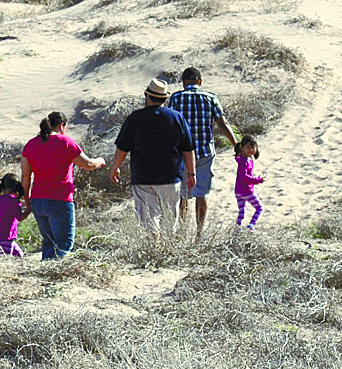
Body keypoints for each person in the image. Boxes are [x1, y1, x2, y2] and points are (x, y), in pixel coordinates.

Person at [107, 79, 196, 237]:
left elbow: (122, 148)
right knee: (170, 220)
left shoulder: (135, 118)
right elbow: (188, 149)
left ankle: (153, 248)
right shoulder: (176, 118)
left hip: (143, 177)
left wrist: (115, 167)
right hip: (170, 176)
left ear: (147, 96)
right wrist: (192, 173)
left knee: (149, 220)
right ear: (165, 98)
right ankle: (168, 253)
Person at [19, 111, 106, 260]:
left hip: (38, 200)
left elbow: (25, 177)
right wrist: (100, 160)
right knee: (64, 244)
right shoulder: (65, 142)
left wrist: (27, 201)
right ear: (62, 125)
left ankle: (46, 273)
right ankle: (56, 275)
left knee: (49, 242)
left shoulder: (30, 144)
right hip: (60, 200)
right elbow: (88, 164)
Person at [166, 67, 239, 244]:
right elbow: (222, 124)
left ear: (184, 82)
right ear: (200, 81)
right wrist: (236, 144)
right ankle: (199, 234)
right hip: (205, 152)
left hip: (182, 154)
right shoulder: (210, 98)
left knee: (182, 194)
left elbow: (170, 125)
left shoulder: (176, 98)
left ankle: (182, 232)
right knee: (201, 194)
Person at [0, 174, 28, 258]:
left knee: (17, 255)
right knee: (14, 257)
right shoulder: (15, 201)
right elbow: (20, 217)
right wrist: (29, 209)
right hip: (8, 237)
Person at [234, 135, 266, 230]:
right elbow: (244, 177)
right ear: (242, 148)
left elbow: (237, 158)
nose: (250, 149)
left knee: (242, 210)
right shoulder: (245, 161)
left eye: (252, 147)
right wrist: (257, 180)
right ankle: (251, 225)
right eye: (247, 147)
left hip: (238, 191)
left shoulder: (243, 159)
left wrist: (238, 154)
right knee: (260, 208)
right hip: (246, 191)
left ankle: (237, 228)